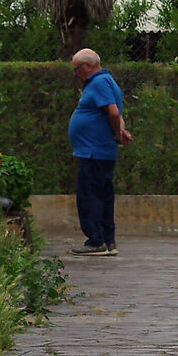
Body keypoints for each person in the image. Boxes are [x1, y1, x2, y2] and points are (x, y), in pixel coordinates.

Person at [68, 48, 131, 254]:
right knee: (103, 195)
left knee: (89, 196)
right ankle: (108, 241)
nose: (75, 74)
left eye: (76, 69)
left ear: (87, 67)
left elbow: (113, 112)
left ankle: (96, 241)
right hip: (98, 150)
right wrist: (120, 131)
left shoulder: (98, 82)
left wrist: (116, 133)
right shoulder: (107, 82)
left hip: (93, 151)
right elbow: (114, 112)